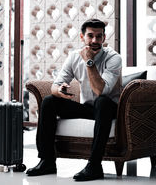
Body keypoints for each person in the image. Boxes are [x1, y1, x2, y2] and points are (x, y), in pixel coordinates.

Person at [26, 18, 122, 181]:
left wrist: (89, 62)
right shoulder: (73, 57)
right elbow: (55, 86)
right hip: (88, 109)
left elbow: (101, 90)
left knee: (102, 101)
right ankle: (47, 160)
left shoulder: (114, 58)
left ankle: (94, 165)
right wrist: (60, 91)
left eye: (99, 37)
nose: (94, 40)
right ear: (82, 37)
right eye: (90, 36)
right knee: (49, 101)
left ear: (104, 38)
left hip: (110, 109)